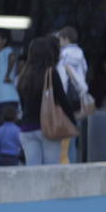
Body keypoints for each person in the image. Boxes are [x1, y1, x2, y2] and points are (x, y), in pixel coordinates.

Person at [15, 35, 76, 166]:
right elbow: (63, 100)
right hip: (48, 128)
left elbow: (22, 104)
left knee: (33, 172)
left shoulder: (24, 75)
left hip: (26, 129)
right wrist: (72, 121)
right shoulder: (51, 73)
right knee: (50, 171)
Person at [55, 26, 92, 162]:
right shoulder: (80, 53)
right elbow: (84, 71)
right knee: (74, 132)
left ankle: (66, 163)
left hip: (66, 97)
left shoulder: (65, 53)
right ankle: (73, 162)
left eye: (60, 39)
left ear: (65, 39)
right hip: (78, 97)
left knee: (65, 134)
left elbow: (65, 74)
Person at [0, 27, 19, 124]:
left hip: (7, 99)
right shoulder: (1, 54)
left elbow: (12, 57)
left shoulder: (7, 50)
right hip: (4, 99)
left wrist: (7, 75)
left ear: (4, 40)